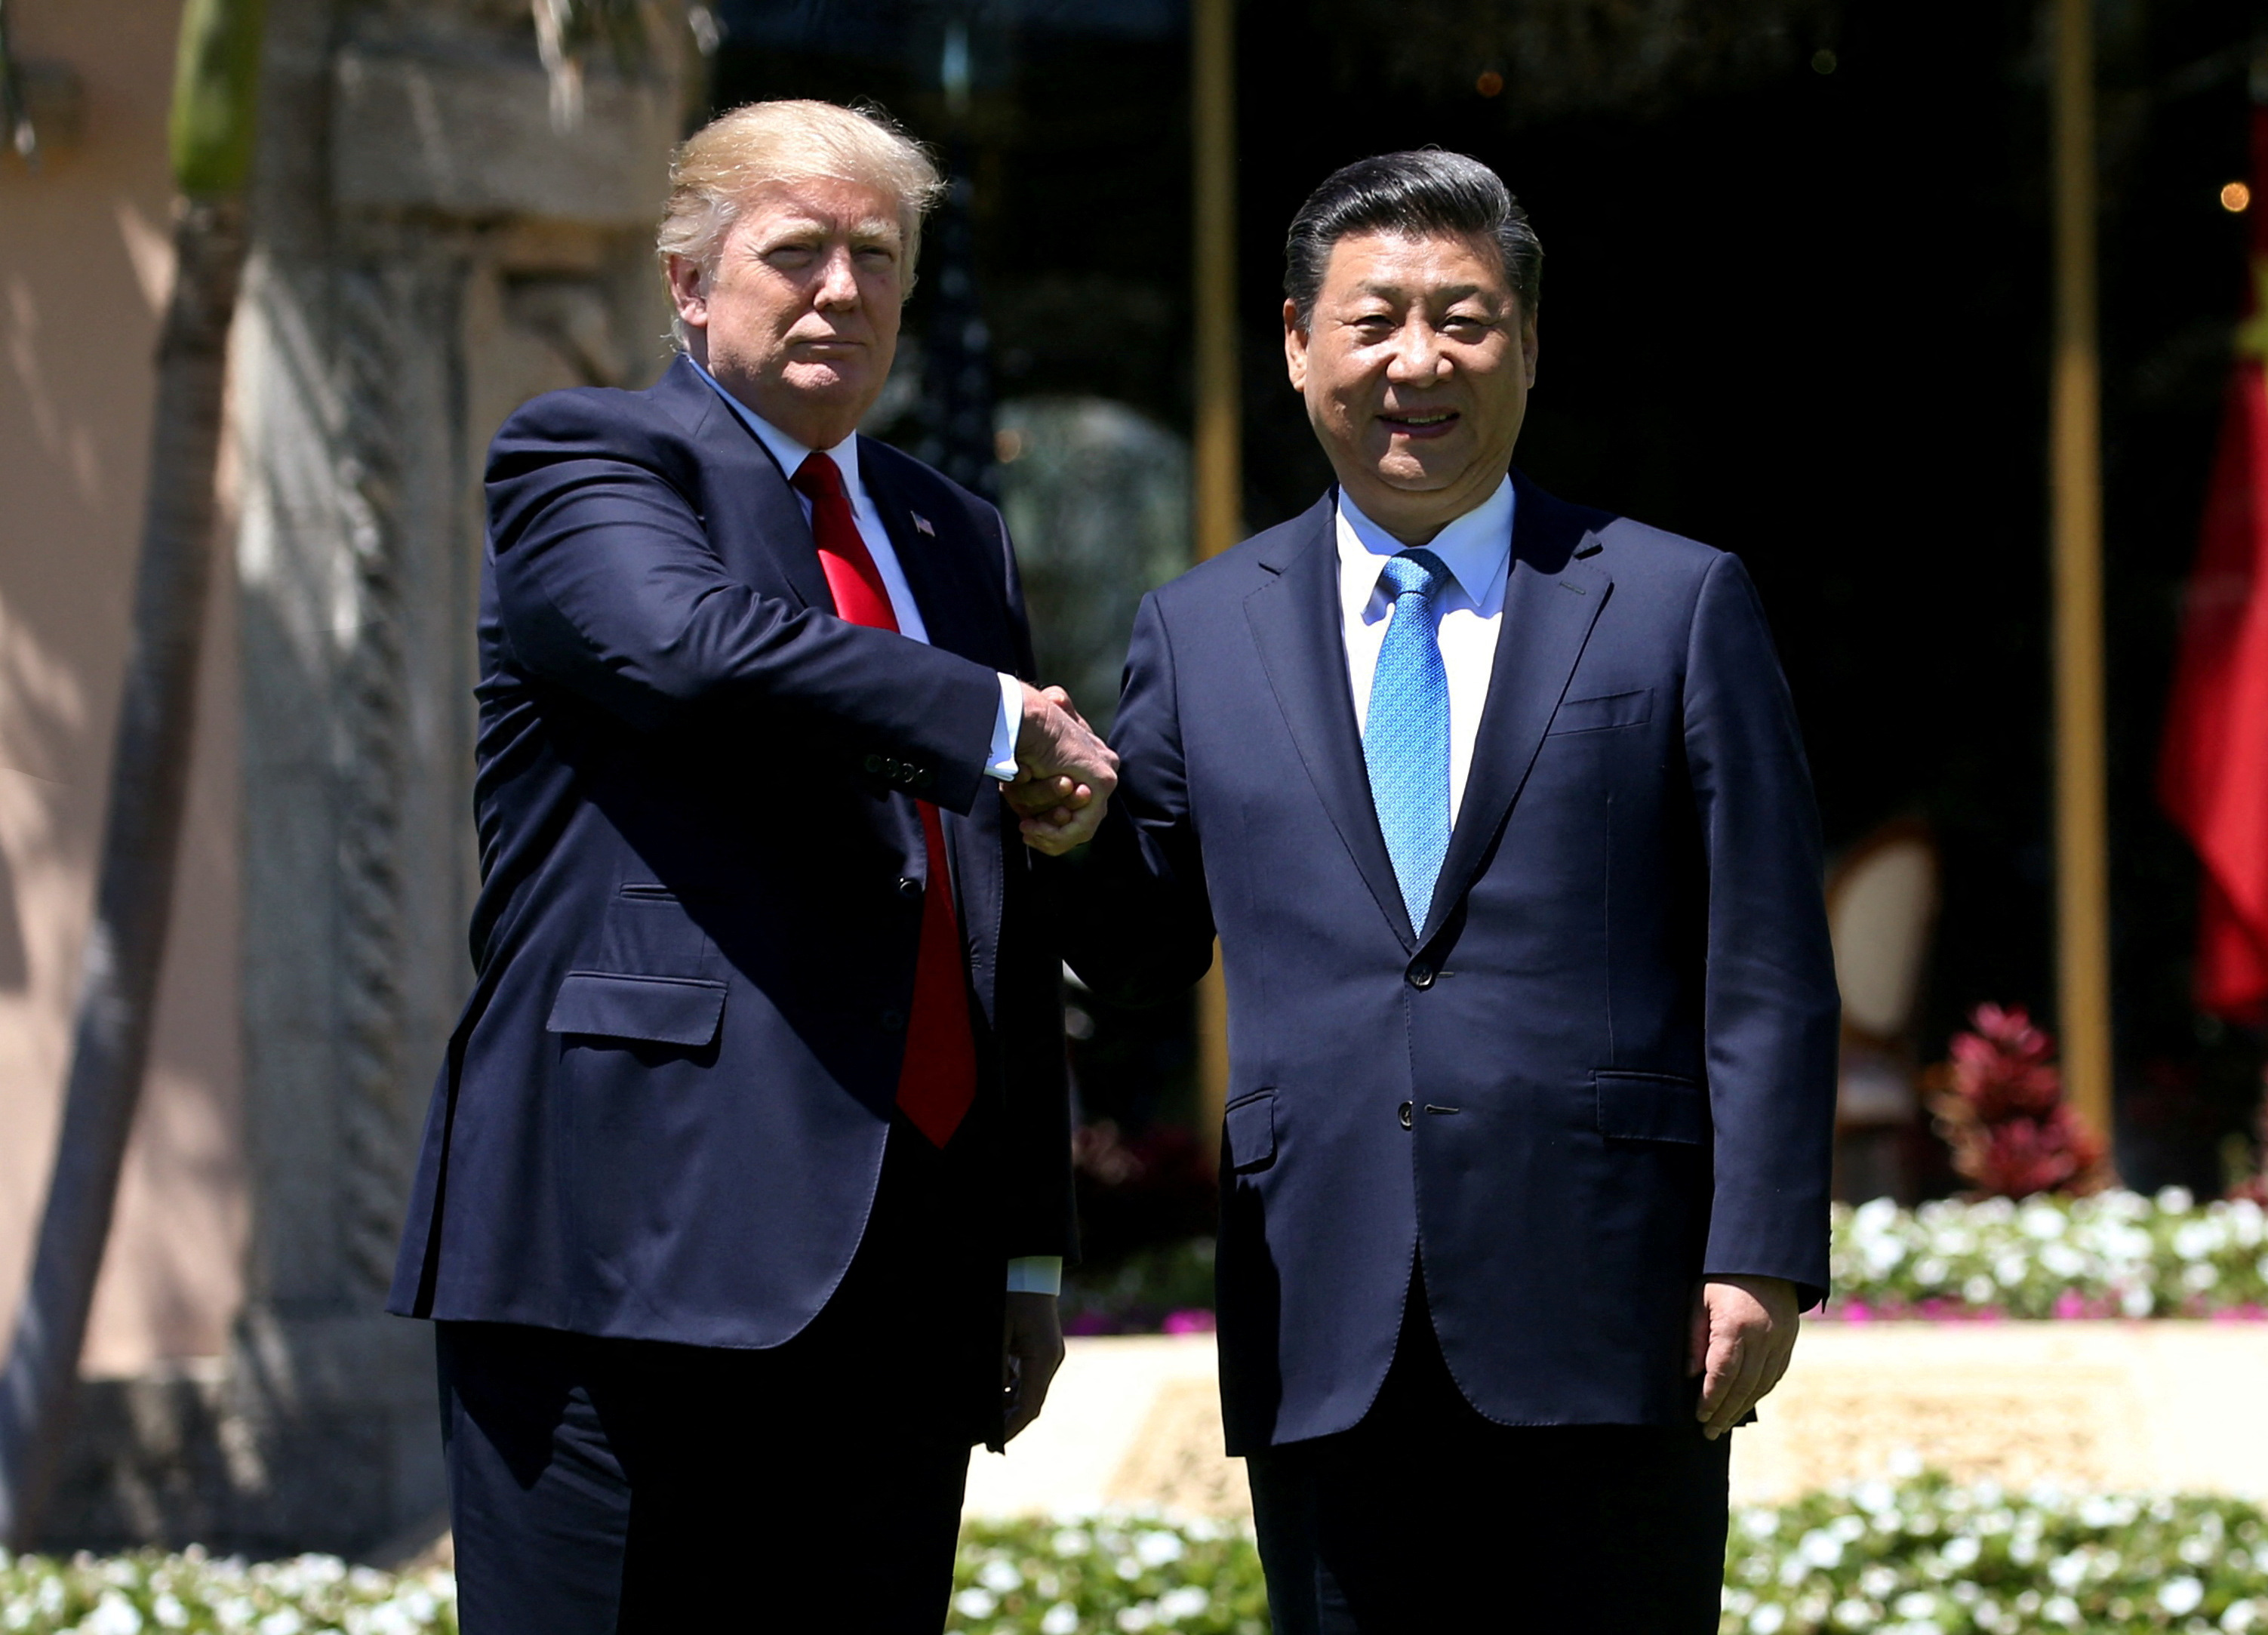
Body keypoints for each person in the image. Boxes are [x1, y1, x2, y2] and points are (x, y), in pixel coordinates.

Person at [1043, 150, 1838, 1633]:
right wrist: (1071, 836)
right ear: (1298, 344)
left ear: (1528, 345)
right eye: (1373, 321)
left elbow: (1768, 961)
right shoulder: (1198, 630)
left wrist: (1763, 1251)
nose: (1418, 361)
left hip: (1615, 1305)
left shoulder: (1673, 601)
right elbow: (1144, 952)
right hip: (1322, 1305)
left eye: (1464, 320)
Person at [385, 100, 1117, 1633]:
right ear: (688, 281)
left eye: (878, 256)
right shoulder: (592, 458)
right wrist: (998, 720)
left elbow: (988, 910)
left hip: (909, 1266)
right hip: (627, 1240)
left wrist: (1026, 1249)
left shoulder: (952, 532)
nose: (842, 290)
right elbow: (694, 646)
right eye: (797, 253)